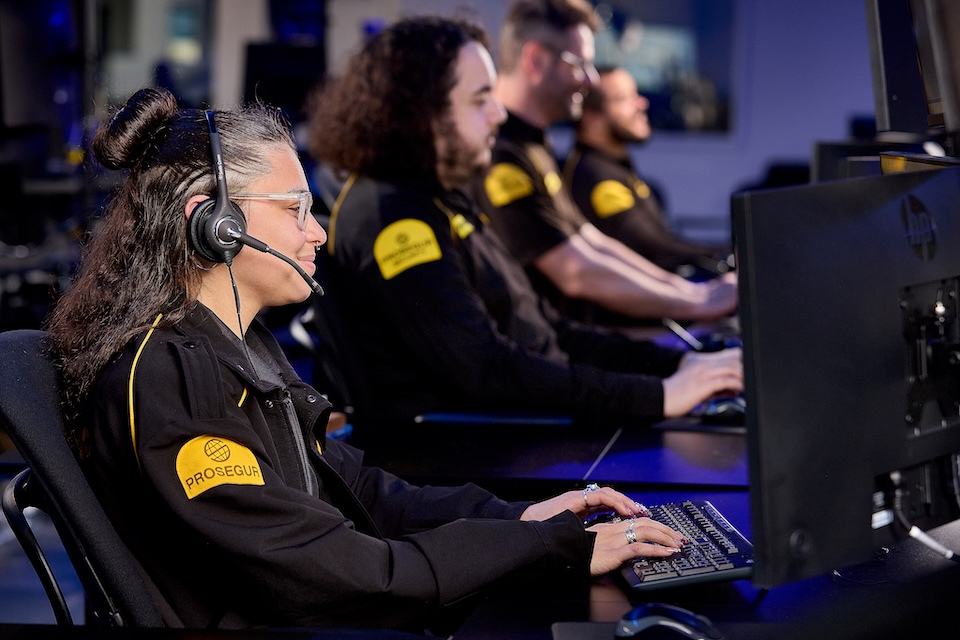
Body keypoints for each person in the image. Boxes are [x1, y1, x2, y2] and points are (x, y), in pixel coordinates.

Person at [44, 87, 689, 632]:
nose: (317, 231)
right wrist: (546, 549)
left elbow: (362, 493)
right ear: (213, 223)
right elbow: (337, 573)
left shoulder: (236, 348)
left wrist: (520, 518)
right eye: (295, 210)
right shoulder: (169, 383)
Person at [307, 17, 742, 438]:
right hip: (471, 453)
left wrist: (676, 366)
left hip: (522, 423)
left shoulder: (440, 196)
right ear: (421, 114)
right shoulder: (396, 221)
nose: (498, 114)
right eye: (480, 100)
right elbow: (486, 369)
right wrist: (658, 395)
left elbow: (547, 328)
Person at [474, 0, 737, 324]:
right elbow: (574, 271)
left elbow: (590, 242)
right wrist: (697, 303)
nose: (590, 80)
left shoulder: (534, 144)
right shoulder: (501, 152)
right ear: (536, 60)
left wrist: (694, 293)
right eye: (580, 64)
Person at [564, 66, 733, 276]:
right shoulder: (596, 177)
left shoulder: (614, 168)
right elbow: (649, 248)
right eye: (623, 98)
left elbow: (663, 241)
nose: (642, 103)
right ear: (592, 120)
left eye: (636, 94)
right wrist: (729, 256)